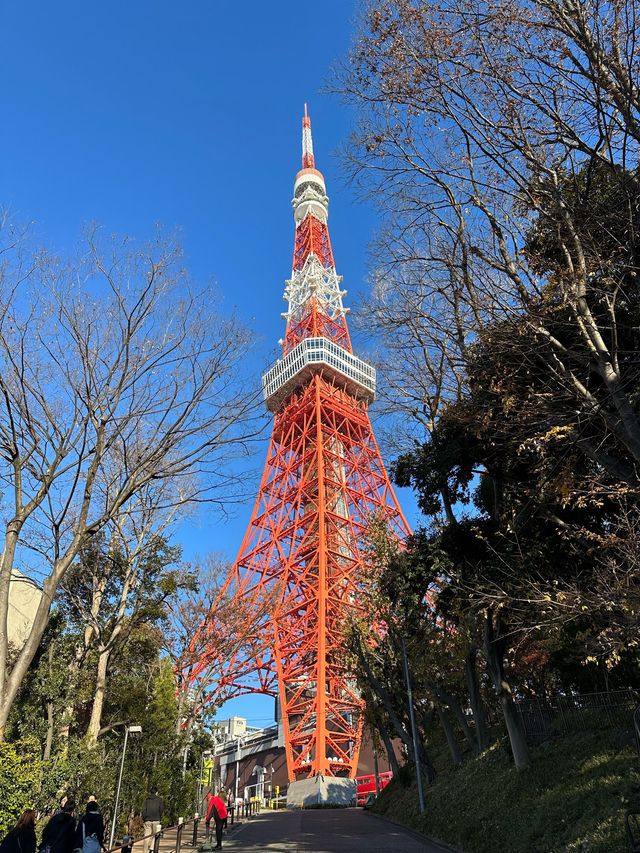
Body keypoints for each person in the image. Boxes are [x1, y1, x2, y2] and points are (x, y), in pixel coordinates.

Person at [141, 788, 163, 853]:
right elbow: (161, 809)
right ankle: (152, 848)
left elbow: (143, 810)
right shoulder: (159, 800)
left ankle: (145, 851)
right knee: (155, 835)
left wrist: (145, 818)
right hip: (156, 819)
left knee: (146, 836)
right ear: (156, 792)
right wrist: (159, 816)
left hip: (147, 820)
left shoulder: (147, 800)